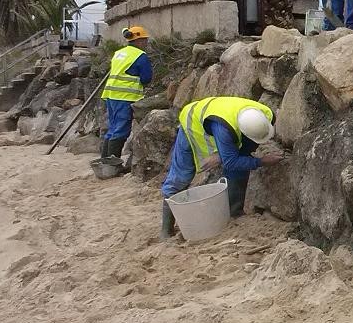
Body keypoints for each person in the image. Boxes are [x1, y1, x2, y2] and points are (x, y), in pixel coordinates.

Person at [158, 96, 283, 241]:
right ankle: (166, 230)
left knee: (241, 161)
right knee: (181, 175)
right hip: (193, 121)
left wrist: (229, 155)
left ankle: (234, 212)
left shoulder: (266, 116)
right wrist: (261, 161)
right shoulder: (224, 130)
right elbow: (231, 162)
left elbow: (240, 155)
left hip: (220, 118)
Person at [100, 25, 152, 162]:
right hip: (125, 97)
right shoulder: (140, 56)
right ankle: (112, 162)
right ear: (138, 40)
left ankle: (104, 160)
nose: (146, 43)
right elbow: (146, 78)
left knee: (112, 128)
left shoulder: (119, 53)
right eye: (145, 40)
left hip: (111, 95)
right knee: (121, 130)